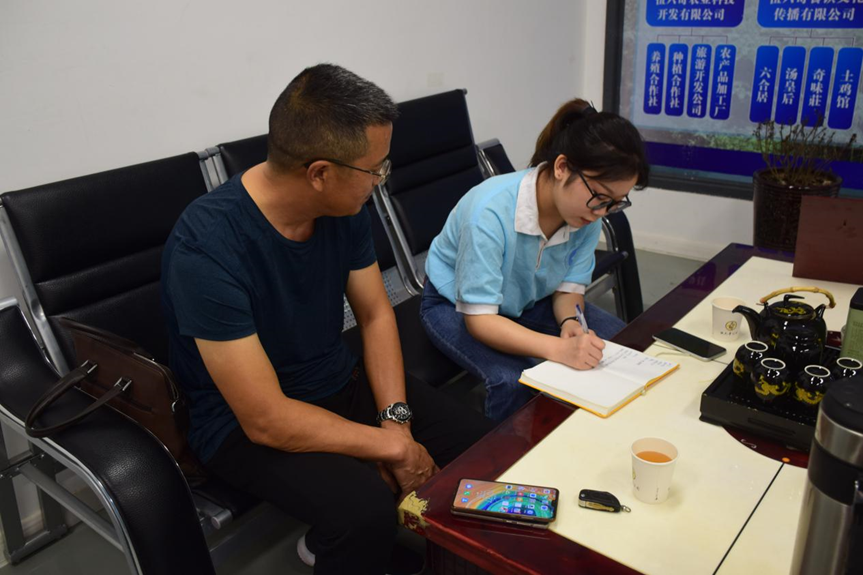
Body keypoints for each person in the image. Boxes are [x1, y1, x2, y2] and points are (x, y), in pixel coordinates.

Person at [161, 63, 492, 575]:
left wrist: (396, 423)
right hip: (239, 424)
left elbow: (375, 313)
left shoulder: (343, 208)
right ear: (319, 173)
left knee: (482, 447)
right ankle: (342, 548)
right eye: (375, 170)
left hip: (335, 380)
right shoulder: (205, 249)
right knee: (364, 512)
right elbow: (266, 419)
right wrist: (392, 448)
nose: (381, 181)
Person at [420, 99, 649, 422]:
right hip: (454, 306)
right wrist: (559, 349)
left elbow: (568, 289)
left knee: (621, 343)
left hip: (528, 300)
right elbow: (481, 320)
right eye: (599, 197)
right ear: (562, 167)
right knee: (512, 381)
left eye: (615, 203)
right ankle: (510, 451)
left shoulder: (587, 213)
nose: (602, 212)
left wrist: (570, 323)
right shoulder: (489, 212)